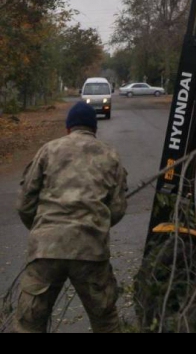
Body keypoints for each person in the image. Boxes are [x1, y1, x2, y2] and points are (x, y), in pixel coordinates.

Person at [14, 101, 128, 334]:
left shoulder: (47, 150)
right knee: (106, 323)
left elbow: (25, 203)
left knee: (29, 324)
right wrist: (96, 224)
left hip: (46, 249)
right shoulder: (110, 155)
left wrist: (42, 229)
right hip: (90, 250)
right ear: (94, 129)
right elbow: (117, 208)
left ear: (68, 128)